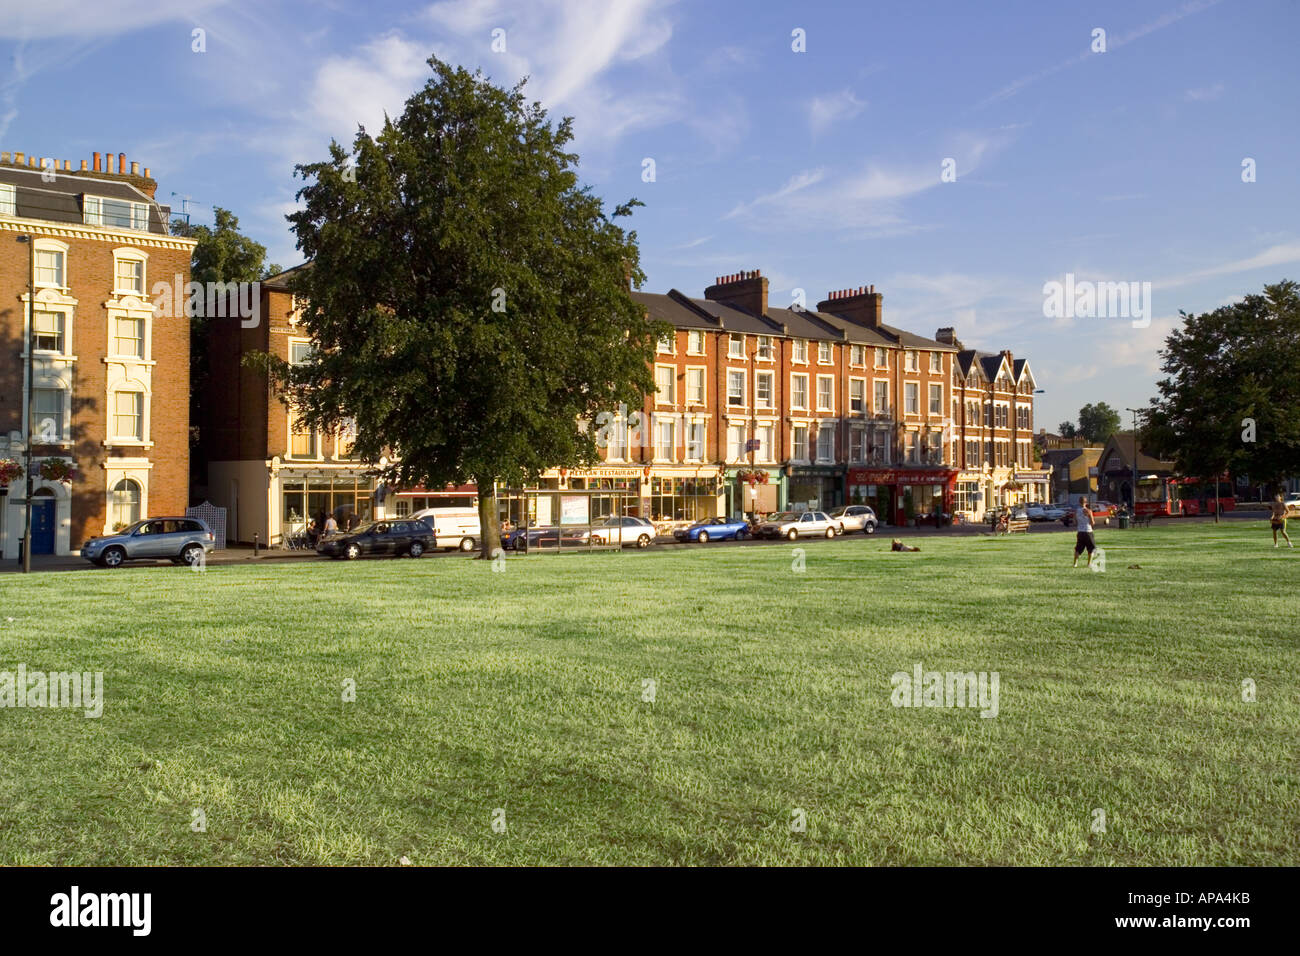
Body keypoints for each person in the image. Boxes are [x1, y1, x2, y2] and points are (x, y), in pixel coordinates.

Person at [1071, 497, 1096, 568]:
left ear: (1079, 502)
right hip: (1088, 531)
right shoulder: (1088, 511)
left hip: (1080, 532)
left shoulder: (1076, 511)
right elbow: (1092, 522)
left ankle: (1075, 564)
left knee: (1078, 548)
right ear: (1086, 502)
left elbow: (1074, 522)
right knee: (1091, 548)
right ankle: (1089, 564)